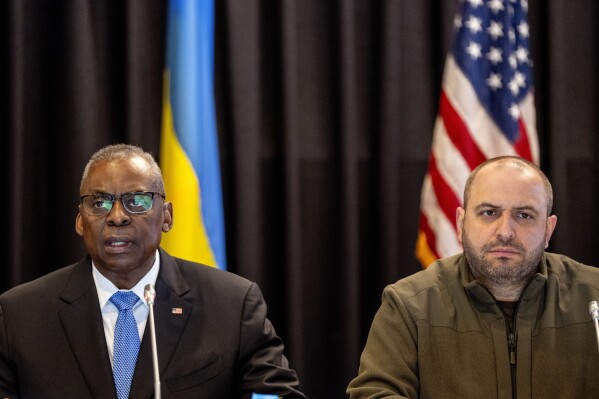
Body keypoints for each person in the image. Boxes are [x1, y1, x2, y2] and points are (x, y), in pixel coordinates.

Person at [0, 143, 305, 399]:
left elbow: (275, 395)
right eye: (100, 202)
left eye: (136, 201)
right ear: (80, 220)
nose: (117, 216)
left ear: (167, 216)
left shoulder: (232, 305)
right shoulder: (20, 316)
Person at [347, 156, 599, 398]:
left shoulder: (594, 295)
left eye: (524, 215)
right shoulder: (409, 305)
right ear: (460, 223)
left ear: (548, 229)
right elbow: (373, 394)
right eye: (489, 212)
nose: (505, 232)